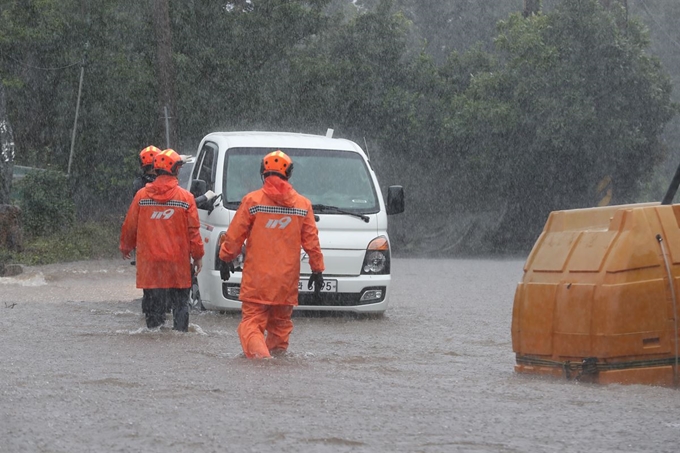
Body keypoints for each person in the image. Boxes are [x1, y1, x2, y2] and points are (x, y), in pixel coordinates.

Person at [218, 150, 325, 359]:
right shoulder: (303, 205)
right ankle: (276, 372)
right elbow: (312, 242)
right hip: (286, 282)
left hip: (257, 280)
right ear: (289, 173)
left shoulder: (252, 201)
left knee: (251, 325)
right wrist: (317, 269)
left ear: (263, 172)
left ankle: (262, 362)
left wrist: (225, 257)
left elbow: (234, 237)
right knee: (280, 328)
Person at [120, 149, 205, 331]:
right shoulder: (186, 198)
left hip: (150, 265)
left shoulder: (141, 196)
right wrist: (198, 256)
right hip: (177, 264)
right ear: (175, 170)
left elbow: (129, 226)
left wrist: (126, 247)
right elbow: (194, 233)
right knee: (181, 307)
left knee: (153, 314)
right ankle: (179, 341)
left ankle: (154, 347)